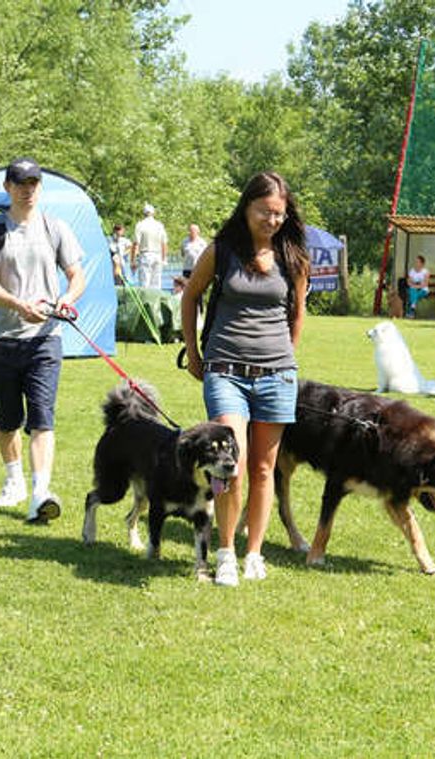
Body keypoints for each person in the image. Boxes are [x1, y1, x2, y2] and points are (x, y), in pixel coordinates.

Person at [180, 171, 309, 586]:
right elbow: (190, 296)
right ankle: (225, 554)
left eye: (279, 213)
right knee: (229, 465)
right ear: (246, 208)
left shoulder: (294, 257)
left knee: (264, 469)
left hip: (276, 375)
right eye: (264, 211)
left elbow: (298, 312)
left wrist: (286, 358)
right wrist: (194, 353)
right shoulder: (221, 250)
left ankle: (254, 553)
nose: (272, 220)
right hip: (226, 371)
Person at [0, 157, 87, 522]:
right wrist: (18, 305)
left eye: (33, 183)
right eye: (21, 183)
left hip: (45, 339)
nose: (28, 190)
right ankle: (14, 480)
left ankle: (40, 493)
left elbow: (77, 275)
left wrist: (66, 300)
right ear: (7, 187)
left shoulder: (55, 227)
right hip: (1, 337)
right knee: (7, 419)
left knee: (42, 417)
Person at [132, 203, 167, 290]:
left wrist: (133, 260)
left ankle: (145, 299)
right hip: (158, 255)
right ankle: (156, 299)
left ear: (144, 213)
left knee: (144, 283)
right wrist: (164, 259)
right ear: (153, 213)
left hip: (145, 255)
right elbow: (164, 243)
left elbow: (136, 244)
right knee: (156, 284)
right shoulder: (159, 225)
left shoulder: (140, 225)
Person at [175, 223, 208, 293]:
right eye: (190, 230)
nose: (191, 232)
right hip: (187, 269)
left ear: (198, 232)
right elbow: (182, 253)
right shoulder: (184, 241)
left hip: (198, 269)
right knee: (186, 288)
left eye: (193, 231)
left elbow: (205, 256)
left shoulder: (202, 243)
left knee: (198, 288)